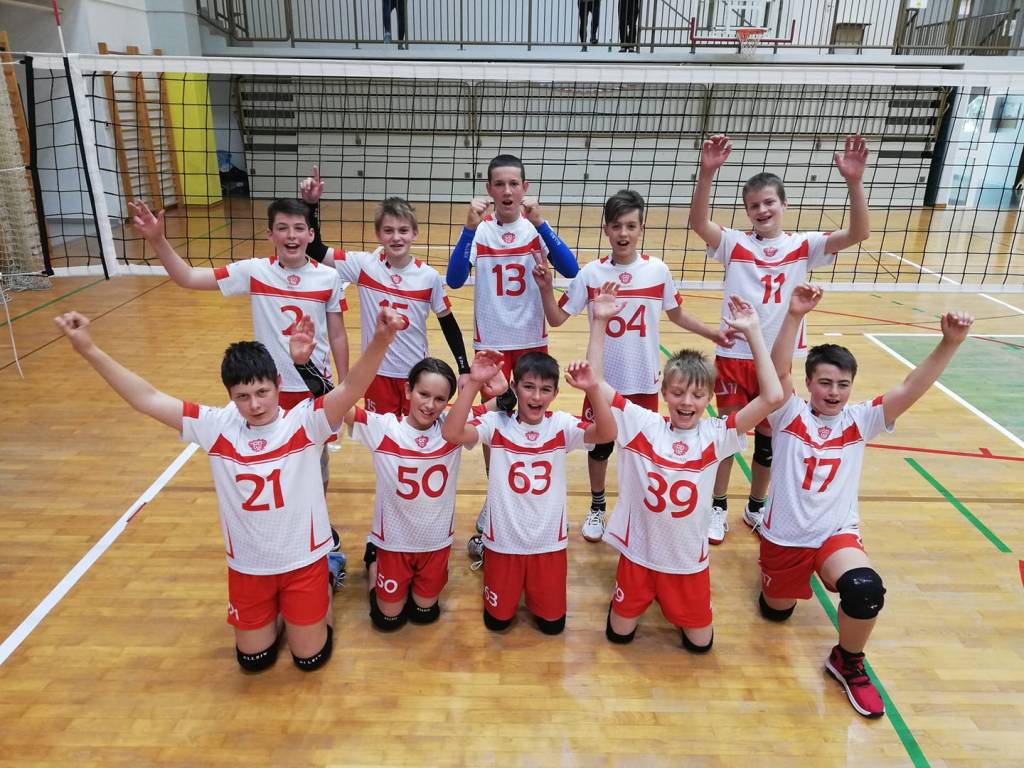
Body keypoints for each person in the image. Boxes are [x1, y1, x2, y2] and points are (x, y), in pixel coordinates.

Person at [54, 306, 404, 672]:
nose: (255, 404)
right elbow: (147, 398)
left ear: (278, 384)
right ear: (230, 395)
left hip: (302, 561)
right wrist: (88, 349)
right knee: (254, 662)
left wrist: (381, 340)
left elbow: (351, 388)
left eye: (262, 392)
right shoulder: (217, 426)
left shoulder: (305, 422)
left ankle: (328, 572)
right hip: (248, 566)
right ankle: (282, 610)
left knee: (309, 659)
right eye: (243, 396)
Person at [759, 283, 973, 717]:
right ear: (809, 383)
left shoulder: (860, 420)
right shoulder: (788, 413)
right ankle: (773, 586)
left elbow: (911, 387)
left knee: (864, 589)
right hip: (785, 537)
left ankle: (847, 660)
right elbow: (778, 370)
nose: (834, 392)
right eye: (825, 382)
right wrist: (794, 314)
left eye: (843, 384)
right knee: (775, 613)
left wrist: (949, 343)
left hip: (835, 536)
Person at [128, 197, 350, 550]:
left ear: (310, 234)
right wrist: (158, 240)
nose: (291, 235)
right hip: (267, 391)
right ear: (269, 234)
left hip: (313, 388)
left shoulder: (329, 277)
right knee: (268, 464)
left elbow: (337, 333)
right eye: (282, 228)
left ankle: (316, 519)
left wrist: (346, 386)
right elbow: (187, 277)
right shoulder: (255, 271)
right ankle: (278, 523)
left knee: (315, 464)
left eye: (298, 228)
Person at [688, 134, 870, 544]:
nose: (762, 210)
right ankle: (718, 506)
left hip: (780, 362)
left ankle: (756, 506)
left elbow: (859, 232)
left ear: (783, 205)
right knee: (729, 436)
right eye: (754, 206)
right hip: (735, 354)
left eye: (769, 202)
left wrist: (854, 182)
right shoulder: (735, 243)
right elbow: (699, 223)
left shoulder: (804, 245)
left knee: (769, 442)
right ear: (747, 212)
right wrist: (707, 173)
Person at [585, 283, 783, 651]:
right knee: (618, 636)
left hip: (687, 562)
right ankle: (634, 599)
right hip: (639, 556)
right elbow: (594, 382)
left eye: (697, 394)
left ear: (709, 398)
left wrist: (755, 332)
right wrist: (599, 322)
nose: (686, 401)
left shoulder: (716, 434)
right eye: (677, 393)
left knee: (700, 645)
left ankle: (672, 602)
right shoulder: (644, 425)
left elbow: (772, 397)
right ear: (664, 394)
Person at [535, 189, 733, 543]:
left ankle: (637, 508)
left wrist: (712, 333)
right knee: (599, 448)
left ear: (641, 229)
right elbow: (557, 318)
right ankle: (597, 506)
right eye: (616, 226)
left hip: (643, 382)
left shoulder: (657, 271)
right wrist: (546, 288)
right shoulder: (591, 274)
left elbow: (677, 315)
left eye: (630, 226)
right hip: (602, 382)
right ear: (606, 230)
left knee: (640, 453)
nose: (623, 233)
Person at [290, 314, 509, 631]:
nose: (430, 405)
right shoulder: (384, 428)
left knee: (424, 615)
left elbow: (505, 404)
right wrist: (303, 365)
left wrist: (501, 388)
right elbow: (337, 403)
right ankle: (372, 557)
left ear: (448, 402)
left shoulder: (453, 425)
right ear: (408, 391)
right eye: (423, 394)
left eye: (439, 399)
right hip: (393, 542)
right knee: (387, 620)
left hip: (435, 544)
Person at [446, 154, 581, 548]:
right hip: (491, 345)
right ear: (489, 189)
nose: (507, 191)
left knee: (530, 418)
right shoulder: (482, 232)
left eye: (513, 184)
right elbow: (454, 279)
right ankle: (497, 495)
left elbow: (571, 270)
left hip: (531, 341)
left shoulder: (534, 230)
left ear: (525, 188)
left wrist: (543, 224)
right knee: (496, 424)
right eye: (499, 184)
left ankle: (530, 488)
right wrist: (468, 230)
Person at [441, 345, 616, 635]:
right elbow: (451, 432)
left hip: (548, 546)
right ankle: (485, 550)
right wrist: (473, 382)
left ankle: (488, 555)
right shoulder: (496, 423)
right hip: (503, 543)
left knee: (552, 626)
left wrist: (593, 389)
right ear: (514, 387)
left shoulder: (560, 424)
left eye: (545, 389)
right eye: (529, 387)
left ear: (556, 393)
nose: (536, 397)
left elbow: (607, 434)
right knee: (497, 623)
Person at [300, 171, 471, 418]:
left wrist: (463, 368)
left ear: (415, 234)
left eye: (403, 230)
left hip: (416, 374)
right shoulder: (364, 266)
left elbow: (448, 324)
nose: (396, 237)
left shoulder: (428, 276)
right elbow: (315, 248)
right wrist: (310, 205)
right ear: (378, 235)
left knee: (415, 435)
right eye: (388, 231)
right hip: (376, 374)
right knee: (381, 437)